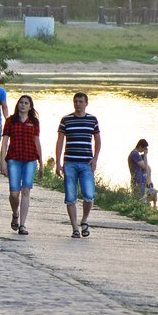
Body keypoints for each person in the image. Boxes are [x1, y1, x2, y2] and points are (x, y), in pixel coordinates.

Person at [54, 91, 101, 238]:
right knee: (70, 196)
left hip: (86, 162)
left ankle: (84, 220)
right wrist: (58, 162)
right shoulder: (66, 120)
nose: (78, 104)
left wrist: (95, 159)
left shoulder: (92, 120)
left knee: (88, 194)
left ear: (86, 103)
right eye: (76, 101)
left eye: (81, 101)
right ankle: (75, 228)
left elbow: (98, 141)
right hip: (70, 163)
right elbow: (60, 141)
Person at [0, 95, 44, 236]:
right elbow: (5, 142)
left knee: (26, 190)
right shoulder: (10, 121)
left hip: (30, 159)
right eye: (21, 103)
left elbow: (37, 141)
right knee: (14, 193)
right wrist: (3, 161)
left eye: (26, 103)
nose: (23, 105)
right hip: (14, 158)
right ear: (18, 105)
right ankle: (15, 213)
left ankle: (23, 225)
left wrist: (41, 162)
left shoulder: (34, 122)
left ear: (30, 107)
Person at [128, 139, 155, 203]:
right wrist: (145, 155)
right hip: (138, 182)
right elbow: (144, 167)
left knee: (141, 200)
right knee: (140, 201)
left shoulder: (136, 154)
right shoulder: (135, 154)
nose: (144, 151)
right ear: (140, 146)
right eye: (144, 148)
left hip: (140, 182)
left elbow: (147, 168)